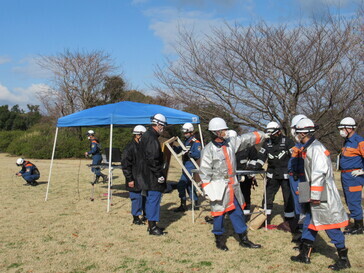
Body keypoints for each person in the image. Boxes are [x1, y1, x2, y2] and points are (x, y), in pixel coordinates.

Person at [291, 118, 350, 271]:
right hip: (309, 187)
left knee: (330, 223)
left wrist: (315, 196)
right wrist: (305, 191)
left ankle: (343, 258)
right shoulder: (308, 147)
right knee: (309, 221)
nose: (296, 135)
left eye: (298, 132)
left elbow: (318, 174)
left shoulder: (315, 149)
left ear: (303, 132)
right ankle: (305, 254)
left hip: (320, 190)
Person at [199, 117, 265, 251]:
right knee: (218, 214)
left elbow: (245, 139)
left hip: (232, 185)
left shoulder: (230, 143)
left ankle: (243, 239)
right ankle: (219, 239)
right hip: (218, 186)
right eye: (223, 130)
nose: (226, 131)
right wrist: (208, 189)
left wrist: (262, 135)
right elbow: (204, 171)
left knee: (237, 212)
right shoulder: (208, 150)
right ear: (216, 132)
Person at [250, 121, 295, 224]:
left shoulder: (288, 142)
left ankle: (290, 221)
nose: (271, 136)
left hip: (286, 176)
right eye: (269, 134)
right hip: (272, 175)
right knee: (267, 198)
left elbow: (294, 157)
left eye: (273, 133)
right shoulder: (266, 143)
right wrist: (257, 167)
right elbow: (262, 157)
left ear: (279, 132)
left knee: (288, 198)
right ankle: (264, 220)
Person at [139, 113, 167, 236]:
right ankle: (152, 227)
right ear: (157, 124)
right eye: (162, 126)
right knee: (154, 199)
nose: (163, 128)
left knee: (151, 199)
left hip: (147, 173)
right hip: (152, 174)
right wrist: (159, 174)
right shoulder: (151, 138)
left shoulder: (147, 136)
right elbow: (152, 158)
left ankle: (152, 224)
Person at [337, 117, 364, 235]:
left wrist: (362, 170)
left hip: (354, 176)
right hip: (345, 175)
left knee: (354, 201)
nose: (341, 131)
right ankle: (356, 223)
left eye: (343, 128)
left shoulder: (359, 141)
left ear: (350, 128)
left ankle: (359, 227)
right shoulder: (347, 141)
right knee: (349, 200)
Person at [121, 125, 147, 225]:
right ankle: (136, 218)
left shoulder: (143, 146)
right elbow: (126, 165)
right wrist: (129, 179)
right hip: (134, 178)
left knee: (145, 197)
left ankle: (145, 215)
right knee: (136, 198)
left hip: (143, 177)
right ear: (138, 135)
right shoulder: (129, 148)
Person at [173, 123, 202, 212]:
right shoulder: (186, 141)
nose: (184, 134)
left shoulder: (195, 142)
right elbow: (180, 149)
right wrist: (173, 147)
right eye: (184, 133)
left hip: (190, 166)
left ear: (190, 132)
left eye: (186, 133)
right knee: (189, 185)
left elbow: (198, 154)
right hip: (185, 165)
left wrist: (188, 153)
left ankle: (183, 205)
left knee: (181, 185)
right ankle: (195, 203)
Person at [288, 114, 307, 235]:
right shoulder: (297, 145)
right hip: (294, 177)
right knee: (297, 203)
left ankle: (303, 229)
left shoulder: (306, 146)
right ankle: (299, 225)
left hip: (302, 177)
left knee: (303, 203)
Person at [235, 145, 259, 215]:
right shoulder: (229, 145)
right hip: (232, 175)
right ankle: (235, 212)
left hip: (245, 175)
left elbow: (255, 158)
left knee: (245, 193)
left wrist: (250, 168)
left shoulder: (249, 147)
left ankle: (246, 212)